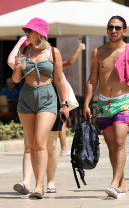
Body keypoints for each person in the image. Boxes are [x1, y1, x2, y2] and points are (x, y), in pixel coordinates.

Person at [83, 16, 129, 199]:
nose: (114, 30)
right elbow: (92, 79)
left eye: (118, 28)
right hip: (104, 103)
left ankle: (114, 183)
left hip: (123, 102)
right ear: (107, 29)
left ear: (124, 31)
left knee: (120, 143)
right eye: (111, 27)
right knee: (111, 146)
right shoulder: (98, 52)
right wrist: (87, 103)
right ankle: (121, 183)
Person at [12, 18, 69, 199]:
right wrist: (16, 66)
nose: (26, 34)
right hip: (26, 97)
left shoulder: (53, 52)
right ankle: (38, 184)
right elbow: (16, 80)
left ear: (39, 33)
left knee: (39, 142)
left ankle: (39, 186)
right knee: (32, 145)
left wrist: (64, 103)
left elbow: (59, 80)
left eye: (30, 30)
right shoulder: (24, 51)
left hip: (47, 97)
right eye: (26, 30)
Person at [60, 42, 85, 156]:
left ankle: (63, 148)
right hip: (60, 96)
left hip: (57, 95)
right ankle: (64, 148)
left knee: (60, 123)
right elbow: (70, 62)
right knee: (62, 123)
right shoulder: (52, 63)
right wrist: (79, 49)